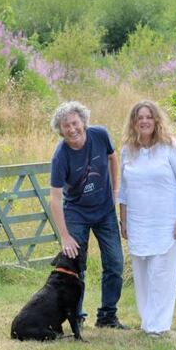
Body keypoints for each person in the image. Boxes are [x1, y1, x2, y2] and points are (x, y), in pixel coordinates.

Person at [117, 100, 176, 336]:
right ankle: (147, 322)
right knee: (142, 276)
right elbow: (124, 191)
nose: (144, 121)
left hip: (168, 223)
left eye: (149, 117)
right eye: (139, 117)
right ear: (133, 122)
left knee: (162, 274)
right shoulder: (127, 151)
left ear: (156, 120)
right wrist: (124, 220)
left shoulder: (171, 148)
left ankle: (159, 326)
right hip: (139, 223)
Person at [49, 101, 128, 330]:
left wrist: (115, 190)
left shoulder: (100, 135)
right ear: (60, 130)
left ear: (83, 122)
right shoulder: (60, 156)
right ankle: (78, 316)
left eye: (75, 123)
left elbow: (113, 158)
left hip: (104, 211)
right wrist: (65, 236)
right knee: (75, 268)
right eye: (66, 126)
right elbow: (55, 197)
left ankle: (107, 316)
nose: (72, 129)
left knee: (114, 263)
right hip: (76, 213)